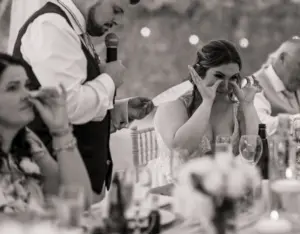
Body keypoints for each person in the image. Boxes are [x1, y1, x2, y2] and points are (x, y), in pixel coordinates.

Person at [12, 0, 153, 200]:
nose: (119, 21)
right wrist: (109, 80)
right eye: (116, 10)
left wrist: (117, 111)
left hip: (80, 187)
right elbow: (68, 105)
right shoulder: (51, 26)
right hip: (57, 189)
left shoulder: (70, 28)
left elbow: (73, 100)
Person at [148, 40, 261, 187]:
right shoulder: (172, 107)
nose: (226, 86)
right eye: (219, 76)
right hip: (173, 194)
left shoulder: (237, 109)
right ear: (199, 74)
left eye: (232, 78)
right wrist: (207, 103)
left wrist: (248, 105)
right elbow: (182, 148)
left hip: (221, 194)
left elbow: (251, 152)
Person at [0, 53, 93, 212]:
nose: (27, 95)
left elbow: (79, 201)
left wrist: (61, 130)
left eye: (27, 86)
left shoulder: (29, 142)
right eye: (13, 88)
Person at [253, 38, 300, 135]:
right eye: (299, 65)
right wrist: (295, 121)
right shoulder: (252, 85)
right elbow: (259, 126)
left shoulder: (295, 84)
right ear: (282, 58)